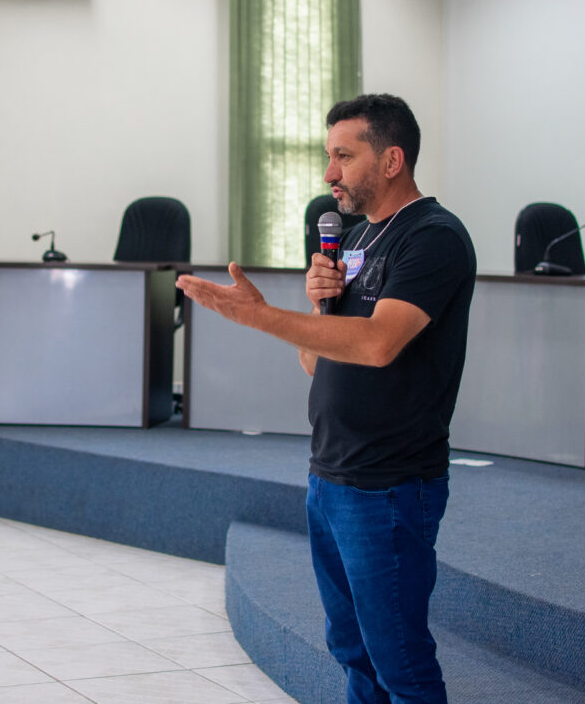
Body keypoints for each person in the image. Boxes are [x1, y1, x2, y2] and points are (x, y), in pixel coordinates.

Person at [177, 93, 475, 704]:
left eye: (343, 155)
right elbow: (318, 363)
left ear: (391, 160)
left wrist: (261, 317)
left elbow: (377, 345)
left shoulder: (434, 237)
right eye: (327, 155)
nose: (328, 172)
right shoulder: (358, 238)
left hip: (390, 484)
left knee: (401, 663)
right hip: (332, 474)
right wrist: (318, 305)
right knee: (353, 654)